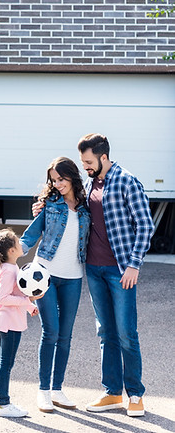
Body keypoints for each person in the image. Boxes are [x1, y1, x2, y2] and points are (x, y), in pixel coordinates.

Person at [77, 133, 154, 418]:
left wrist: (134, 264)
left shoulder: (126, 181)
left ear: (103, 157)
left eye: (88, 161)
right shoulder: (89, 182)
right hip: (93, 270)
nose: (85, 165)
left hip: (121, 271)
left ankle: (135, 394)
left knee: (126, 333)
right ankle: (112, 393)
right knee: (105, 332)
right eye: (83, 161)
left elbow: (145, 225)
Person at [21, 157, 90, 413]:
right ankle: (43, 391)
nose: (57, 184)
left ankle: (58, 388)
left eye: (61, 179)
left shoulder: (85, 207)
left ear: (72, 176)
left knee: (65, 335)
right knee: (50, 332)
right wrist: (9, 255)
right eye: (54, 180)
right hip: (44, 274)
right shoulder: (49, 204)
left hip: (73, 277)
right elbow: (30, 235)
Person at [0, 228, 39, 418]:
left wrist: (29, 302)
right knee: (5, 364)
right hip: (8, 322)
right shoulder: (9, 270)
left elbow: (14, 294)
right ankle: (4, 403)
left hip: (4, 321)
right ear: (11, 251)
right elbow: (5, 298)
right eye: (17, 242)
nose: (20, 244)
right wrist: (28, 302)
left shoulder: (7, 268)